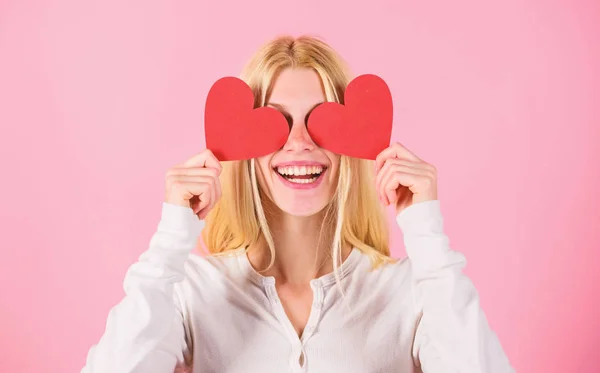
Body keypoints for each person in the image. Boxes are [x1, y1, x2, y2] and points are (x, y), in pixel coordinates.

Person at [81, 36, 514, 373]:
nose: (299, 144)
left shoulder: (411, 292)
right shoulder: (191, 291)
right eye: (276, 122)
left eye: (321, 120)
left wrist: (427, 234)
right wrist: (170, 240)